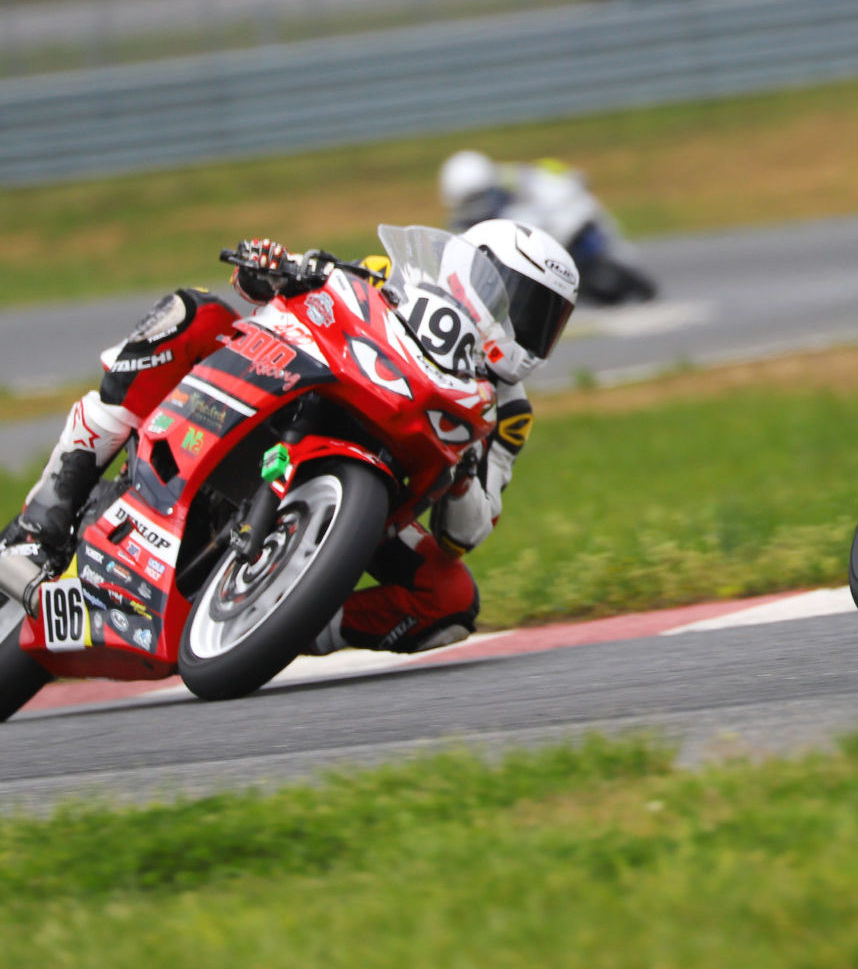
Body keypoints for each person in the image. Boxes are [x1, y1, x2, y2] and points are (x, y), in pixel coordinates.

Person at [0, 220, 580, 655]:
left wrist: (460, 479)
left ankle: (276, 624)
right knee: (191, 315)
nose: (528, 330)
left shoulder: (506, 414)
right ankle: (46, 513)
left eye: (545, 320)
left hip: (366, 492)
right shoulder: (394, 276)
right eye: (522, 304)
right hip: (297, 394)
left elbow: (465, 535)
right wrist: (271, 265)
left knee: (449, 601)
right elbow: (291, 284)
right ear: (473, 271)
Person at [438, 150, 655, 304]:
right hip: (521, 260)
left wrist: (567, 183)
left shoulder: (512, 177)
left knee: (594, 219)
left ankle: (622, 252)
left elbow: (549, 178)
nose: (476, 203)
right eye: (469, 199)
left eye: (479, 195)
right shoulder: (462, 225)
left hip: (550, 225)